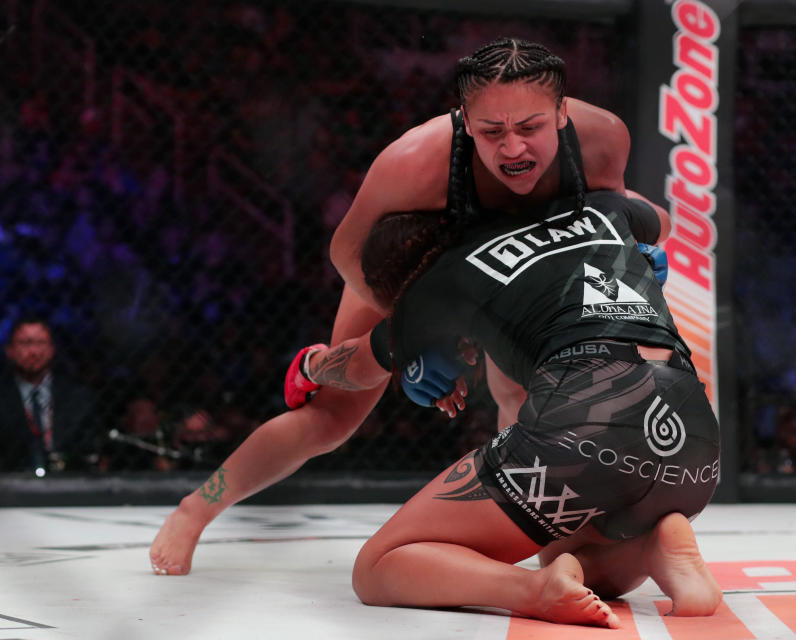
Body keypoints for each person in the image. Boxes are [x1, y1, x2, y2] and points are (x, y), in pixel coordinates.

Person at [149, 36, 659, 576]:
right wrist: (420, 331)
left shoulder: (602, 137)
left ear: (560, 113)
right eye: (491, 131)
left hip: (530, 256)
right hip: (423, 265)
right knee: (330, 416)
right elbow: (346, 254)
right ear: (464, 118)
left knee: (524, 381)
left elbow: (610, 217)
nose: (512, 149)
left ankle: (531, 516)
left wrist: (630, 263)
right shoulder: (415, 160)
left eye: (529, 128)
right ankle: (195, 509)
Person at [299, 189, 721, 627]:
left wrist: (309, 367)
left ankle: (532, 592)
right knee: (564, 555)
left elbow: (358, 367)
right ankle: (651, 548)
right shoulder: (594, 205)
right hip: (694, 440)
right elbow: (661, 221)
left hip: (588, 424)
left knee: (379, 566)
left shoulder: (445, 275)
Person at [0, 314, 98, 473]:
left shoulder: (78, 396)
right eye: (25, 343)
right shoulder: (3, 396)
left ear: (52, 349)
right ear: (9, 350)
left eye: (40, 343)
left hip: (70, 480)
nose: (33, 352)